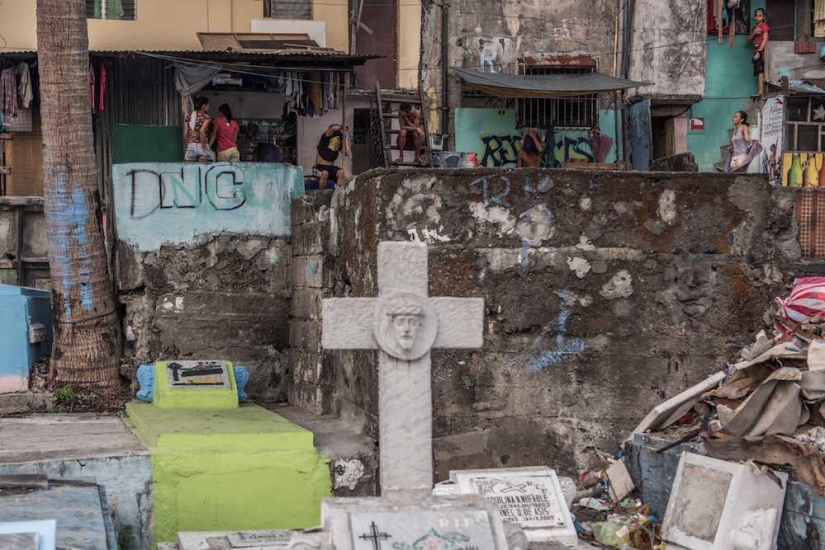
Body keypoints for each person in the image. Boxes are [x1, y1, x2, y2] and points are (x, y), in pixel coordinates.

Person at [315, 124, 349, 189]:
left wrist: (345, 139)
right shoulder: (325, 138)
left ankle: (338, 193)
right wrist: (342, 126)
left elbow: (347, 153)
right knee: (325, 173)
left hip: (331, 167)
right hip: (320, 166)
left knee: (341, 172)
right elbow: (332, 128)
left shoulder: (338, 141)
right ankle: (322, 194)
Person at [184, 96, 215, 163]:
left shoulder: (188, 117)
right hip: (202, 145)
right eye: (208, 105)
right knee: (203, 169)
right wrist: (203, 145)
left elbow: (186, 133)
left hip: (191, 145)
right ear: (204, 106)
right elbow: (202, 131)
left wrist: (188, 144)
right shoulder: (206, 117)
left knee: (189, 169)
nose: (208, 107)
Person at [749, 8, 769, 98]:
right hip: (756, 51)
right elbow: (748, 40)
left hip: (761, 52)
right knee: (758, 72)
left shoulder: (764, 26)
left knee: (760, 71)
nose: (757, 17)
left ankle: (760, 92)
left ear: (763, 17)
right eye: (756, 16)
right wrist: (754, 33)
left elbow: (765, 40)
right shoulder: (754, 28)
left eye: (760, 16)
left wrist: (759, 52)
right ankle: (760, 91)